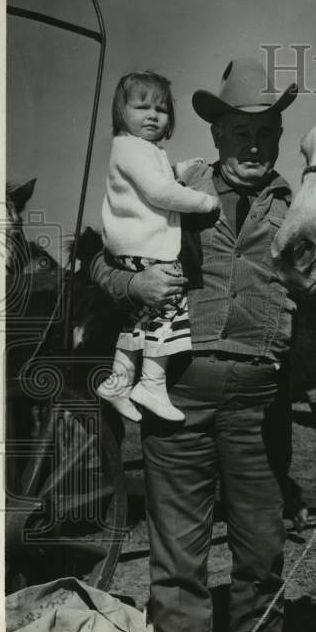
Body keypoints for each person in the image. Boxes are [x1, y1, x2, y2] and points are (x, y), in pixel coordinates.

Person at [90, 56, 316, 632]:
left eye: (264, 133)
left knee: (260, 553)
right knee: (178, 562)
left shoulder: (302, 214)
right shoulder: (178, 192)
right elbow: (107, 260)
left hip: (259, 404)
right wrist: (128, 289)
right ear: (217, 136)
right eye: (239, 131)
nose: (252, 144)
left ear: (277, 139)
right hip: (177, 400)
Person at [95, 71, 220, 423]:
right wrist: (205, 202)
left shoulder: (142, 150)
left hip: (131, 247)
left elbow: (158, 176)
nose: (152, 115)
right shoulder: (131, 147)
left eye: (161, 109)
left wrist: (181, 167)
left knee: (139, 320)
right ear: (122, 112)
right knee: (170, 308)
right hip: (146, 246)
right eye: (142, 106)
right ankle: (152, 382)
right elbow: (159, 191)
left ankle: (119, 381)